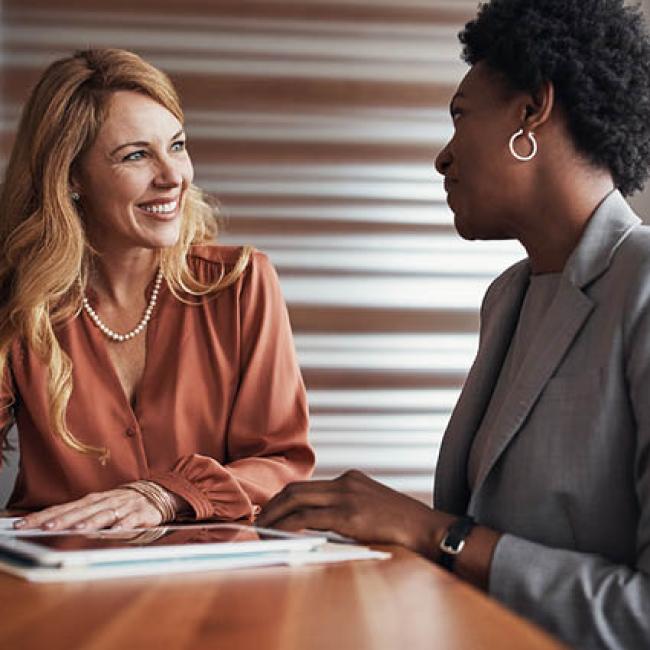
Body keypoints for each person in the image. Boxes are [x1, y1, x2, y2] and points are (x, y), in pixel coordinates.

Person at [257, 1, 650, 647]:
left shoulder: (642, 283)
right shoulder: (509, 297)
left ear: (532, 111)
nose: (443, 157)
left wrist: (435, 532)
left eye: (460, 116)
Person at [0, 48, 314, 532]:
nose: (173, 177)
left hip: (211, 577)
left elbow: (280, 462)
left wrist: (168, 494)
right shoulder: (20, 298)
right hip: (56, 574)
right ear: (72, 178)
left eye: (178, 146)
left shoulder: (241, 284)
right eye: (137, 155)